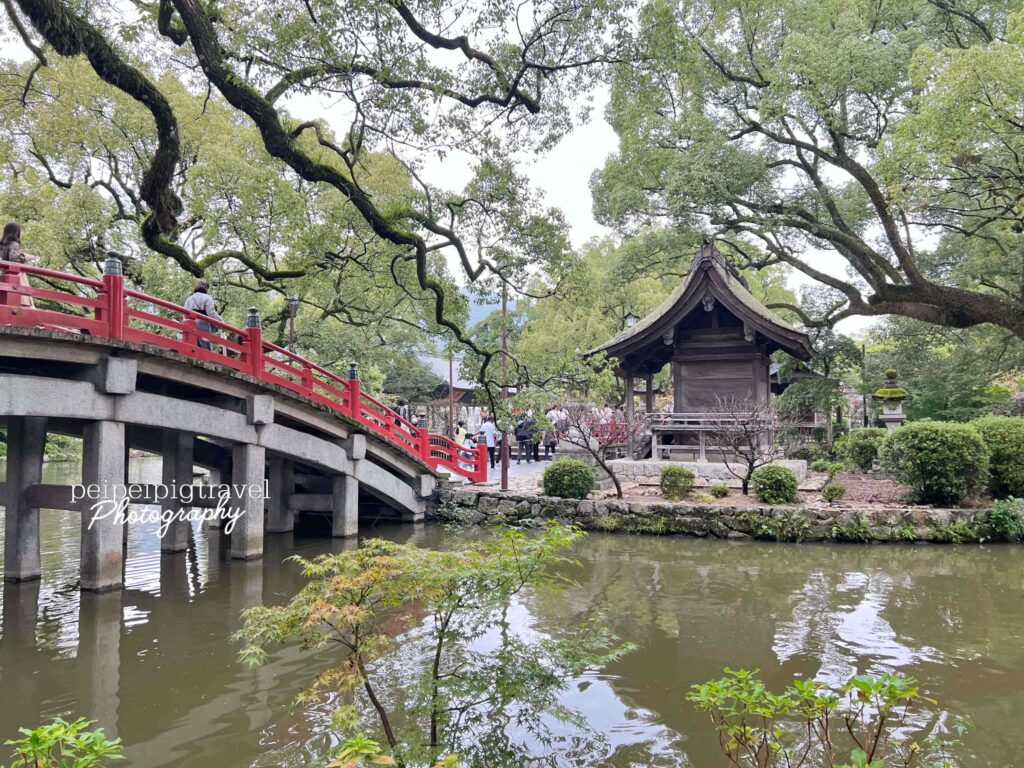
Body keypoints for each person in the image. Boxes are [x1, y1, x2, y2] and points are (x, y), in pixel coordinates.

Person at [0, 222, 34, 308]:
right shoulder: (14, 244)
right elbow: (14, 258)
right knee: (22, 299)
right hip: (16, 274)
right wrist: (26, 256)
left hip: (5, 273)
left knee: (5, 300)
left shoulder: (1, 246)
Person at [184, 279, 222, 351]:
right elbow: (211, 313)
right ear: (206, 288)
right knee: (205, 346)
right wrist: (221, 322)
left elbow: (185, 315)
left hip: (191, 324)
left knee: (194, 346)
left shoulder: (189, 299)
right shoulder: (207, 298)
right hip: (203, 323)